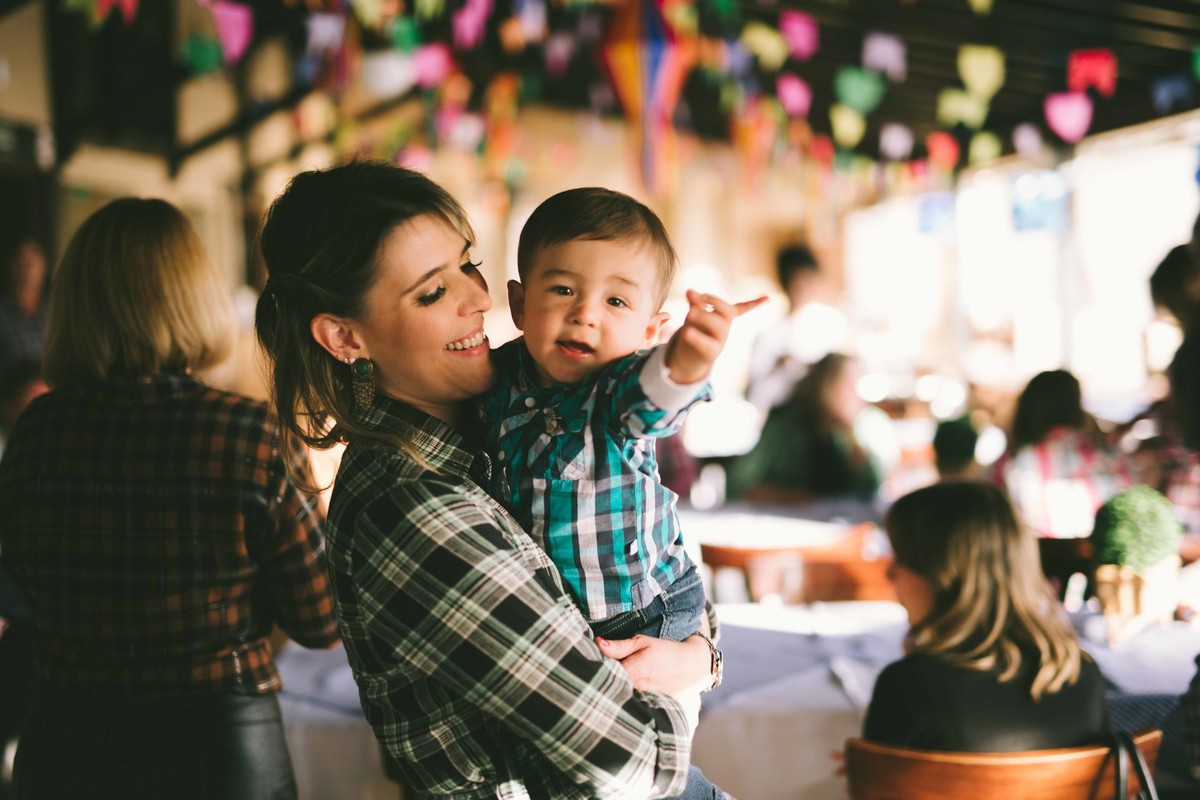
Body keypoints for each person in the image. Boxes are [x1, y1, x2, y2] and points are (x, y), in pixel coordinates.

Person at [254, 161, 727, 799]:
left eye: (466, 264)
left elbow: (647, 541)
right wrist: (687, 670)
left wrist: (698, 649)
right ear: (344, 335)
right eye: (430, 292)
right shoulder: (415, 508)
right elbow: (631, 765)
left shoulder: (498, 422)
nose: (478, 299)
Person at [0, 198, 340, 800]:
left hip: (64, 742)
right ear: (194, 297)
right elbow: (321, 621)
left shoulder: (36, 432)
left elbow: (25, 585)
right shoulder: (248, 432)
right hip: (217, 750)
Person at [479, 186, 763, 641]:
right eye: (563, 289)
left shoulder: (613, 389)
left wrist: (685, 363)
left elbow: (652, 400)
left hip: (641, 611)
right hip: (554, 616)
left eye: (616, 301)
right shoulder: (495, 377)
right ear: (519, 303)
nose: (585, 313)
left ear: (650, 331)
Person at [862, 481, 1109, 752]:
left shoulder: (907, 687)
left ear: (941, 573)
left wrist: (864, 767)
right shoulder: (1082, 675)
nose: (889, 573)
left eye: (900, 558)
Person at [989, 369, 1135, 541]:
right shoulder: (1107, 455)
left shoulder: (1013, 460)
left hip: (1033, 558)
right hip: (1097, 555)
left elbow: (992, 515)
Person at [726, 352, 884, 506]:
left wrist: (852, 439)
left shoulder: (848, 432)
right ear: (826, 385)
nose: (855, 395)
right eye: (848, 384)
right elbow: (738, 484)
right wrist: (788, 497)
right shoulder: (786, 425)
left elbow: (871, 488)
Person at [744, 243, 848, 412]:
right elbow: (753, 396)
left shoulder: (831, 327)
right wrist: (781, 368)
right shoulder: (769, 336)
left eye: (808, 279)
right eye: (796, 280)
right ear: (786, 283)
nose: (803, 287)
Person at [0, 234, 49, 371]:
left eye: (33, 261)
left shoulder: (56, 309)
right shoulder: (3, 313)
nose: (29, 268)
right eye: (22, 261)